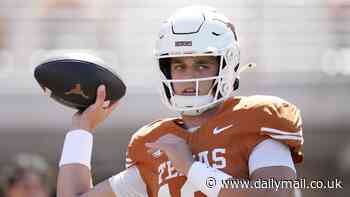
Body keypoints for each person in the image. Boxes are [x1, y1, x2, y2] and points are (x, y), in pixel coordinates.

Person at [57, 6, 304, 197]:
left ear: (227, 65)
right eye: (179, 65)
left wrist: (191, 168)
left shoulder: (257, 119)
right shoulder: (154, 143)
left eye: (202, 64)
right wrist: (82, 129)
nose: (189, 77)